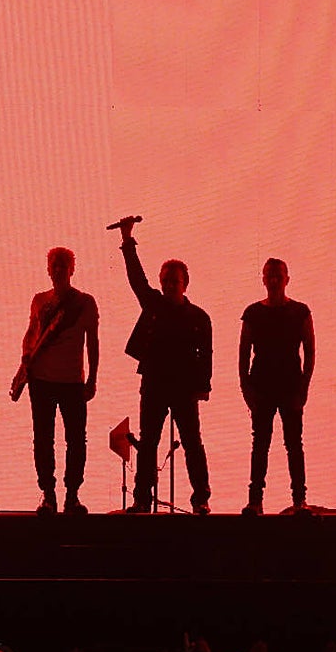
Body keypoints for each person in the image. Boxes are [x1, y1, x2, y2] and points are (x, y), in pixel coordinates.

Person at [115, 216, 213, 514]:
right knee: (149, 443)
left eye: (175, 281)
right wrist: (128, 240)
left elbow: (206, 354)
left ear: (185, 283)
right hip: (155, 383)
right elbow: (137, 281)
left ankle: (201, 499)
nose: (170, 285)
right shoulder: (154, 304)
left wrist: (203, 387)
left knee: (192, 442)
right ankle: (142, 499)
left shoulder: (199, 317)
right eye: (166, 281)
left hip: (183, 387)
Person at [18, 247, 99, 515]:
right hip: (41, 381)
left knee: (76, 440)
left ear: (72, 269)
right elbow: (31, 334)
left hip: (72, 381)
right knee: (44, 438)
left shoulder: (85, 302)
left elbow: (93, 343)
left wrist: (93, 379)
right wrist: (25, 363)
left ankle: (72, 495)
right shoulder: (39, 301)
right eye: (54, 264)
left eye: (63, 265)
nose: (58, 269)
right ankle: (48, 494)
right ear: (48, 268)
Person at [239, 258, 314, 515]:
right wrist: (247, 389)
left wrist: (303, 388)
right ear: (263, 279)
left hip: (290, 385)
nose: (273, 280)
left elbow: (310, 351)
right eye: (269, 275)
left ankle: (299, 500)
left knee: (293, 444)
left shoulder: (300, 312)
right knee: (261, 444)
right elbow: (243, 353)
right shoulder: (253, 313)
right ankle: (256, 501)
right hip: (262, 386)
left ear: (286, 279)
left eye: (277, 276)